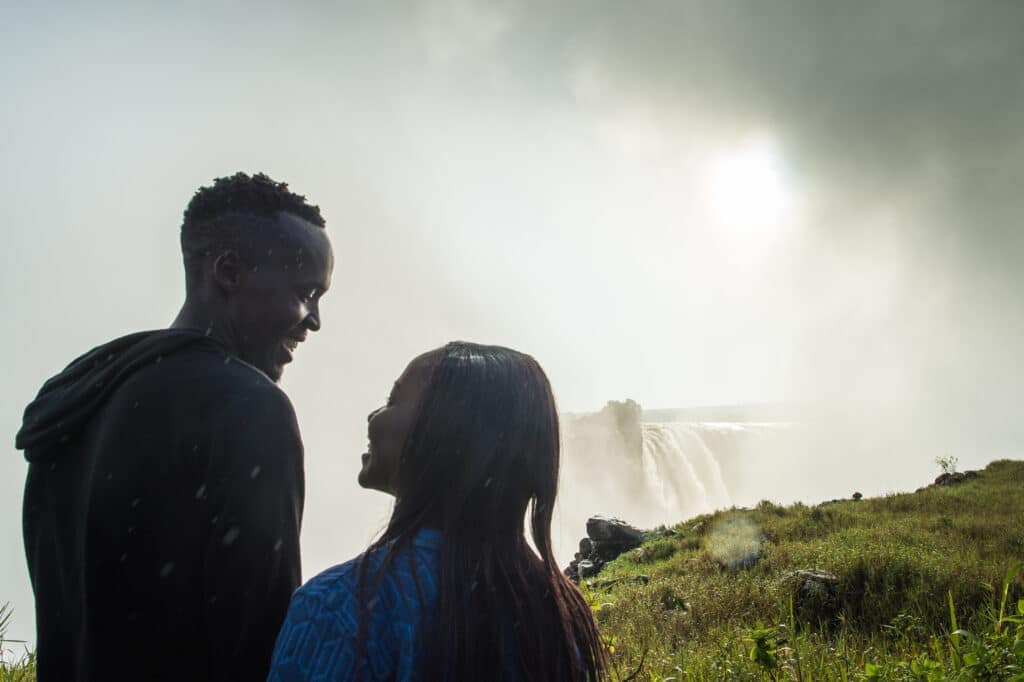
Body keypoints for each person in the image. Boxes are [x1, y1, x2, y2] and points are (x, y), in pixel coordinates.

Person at [15, 172, 334, 682]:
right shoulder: (249, 409)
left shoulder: (77, 402)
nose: (314, 320)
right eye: (306, 292)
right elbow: (265, 647)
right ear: (228, 271)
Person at [268, 342, 607, 681]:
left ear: (441, 432)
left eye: (392, 401)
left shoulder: (337, 608)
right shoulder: (558, 612)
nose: (374, 417)